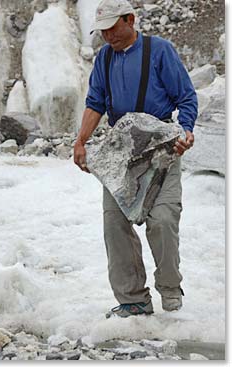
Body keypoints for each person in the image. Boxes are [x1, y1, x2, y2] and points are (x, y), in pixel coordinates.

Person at [74, 0, 198, 318]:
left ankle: (170, 290)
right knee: (115, 224)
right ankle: (133, 299)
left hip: (161, 147)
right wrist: (81, 141)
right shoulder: (103, 58)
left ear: (130, 19)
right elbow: (95, 102)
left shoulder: (160, 50)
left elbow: (186, 96)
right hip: (121, 148)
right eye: (102, 32)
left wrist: (185, 131)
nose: (108, 37)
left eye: (113, 28)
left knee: (163, 221)